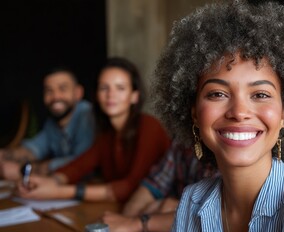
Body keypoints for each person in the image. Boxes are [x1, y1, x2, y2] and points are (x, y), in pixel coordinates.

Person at [151, 1, 284, 232]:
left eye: (260, 95)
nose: (239, 112)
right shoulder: (191, 201)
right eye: (218, 94)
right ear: (194, 113)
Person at [16, 57, 171, 202]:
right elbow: (79, 166)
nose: (111, 95)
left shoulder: (149, 126)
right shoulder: (107, 134)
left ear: (134, 96)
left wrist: (59, 191)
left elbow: (132, 186)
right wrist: (49, 181)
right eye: (104, 87)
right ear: (96, 95)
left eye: (120, 88)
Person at [102, 140, 218, 232]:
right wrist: (129, 218)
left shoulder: (228, 153)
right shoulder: (181, 142)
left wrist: (137, 223)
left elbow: (212, 216)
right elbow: (153, 185)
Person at [0, 67, 95, 180]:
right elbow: (33, 150)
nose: (55, 96)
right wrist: (3, 155)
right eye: (49, 91)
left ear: (78, 93)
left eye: (62, 89)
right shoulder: (53, 123)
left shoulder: (87, 114)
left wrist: (24, 171)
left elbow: (82, 163)